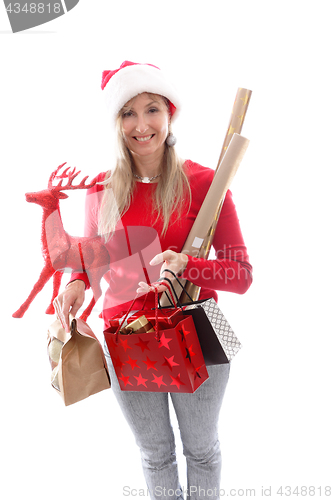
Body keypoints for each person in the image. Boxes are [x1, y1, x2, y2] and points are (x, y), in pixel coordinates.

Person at [53, 60, 253, 499]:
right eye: (127, 112)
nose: (141, 124)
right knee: (154, 454)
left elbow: (241, 274)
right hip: (125, 338)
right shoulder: (101, 189)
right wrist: (74, 281)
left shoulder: (205, 184)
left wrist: (186, 265)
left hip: (197, 336)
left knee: (201, 452)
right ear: (116, 122)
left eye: (151, 109)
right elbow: (89, 257)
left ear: (170, 113)